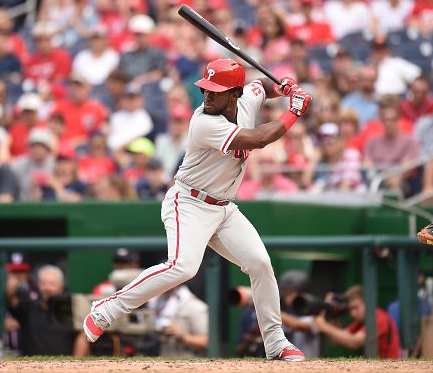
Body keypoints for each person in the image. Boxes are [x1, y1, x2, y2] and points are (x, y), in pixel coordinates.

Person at [83, 58, 312, 361]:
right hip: (189, 202)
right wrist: (294, 109)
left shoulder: (246, 98)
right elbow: (258, 138)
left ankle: (276, 343)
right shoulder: (203, 121)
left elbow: (260, 86)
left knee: (260, 263)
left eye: (215, 90)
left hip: (224, 208)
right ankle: (106, 309)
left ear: (235, 94)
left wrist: (281, 87)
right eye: (206, 89)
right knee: (183, 267)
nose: (207, 95)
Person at [7, 264, 81, 356]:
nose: (47, 288)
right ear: (38, 285)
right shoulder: (29, 308)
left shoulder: (70, 310)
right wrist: (13, 279)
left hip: (63, 366)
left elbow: (82, 336)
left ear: (61, 287)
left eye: (52, 284)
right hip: (32, 367)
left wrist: (75, 364)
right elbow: (10, 297)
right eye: (43, 284)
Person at [313, 285, 401, 358]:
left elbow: (355, 342)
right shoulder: (363, 320)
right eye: (350, 310)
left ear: (368, 303)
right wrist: (333, 315)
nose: (352, 314)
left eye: (356, 308)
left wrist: (324, 326)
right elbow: (338, 341)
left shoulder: (380, 318)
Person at [148, 284, 208, 357]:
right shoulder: (154, 302)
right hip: (163, 360)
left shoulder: (196, 307)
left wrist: (182, 337)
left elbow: (207, 342)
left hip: (189, 363)